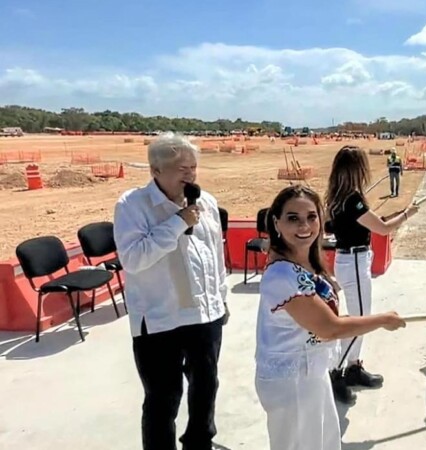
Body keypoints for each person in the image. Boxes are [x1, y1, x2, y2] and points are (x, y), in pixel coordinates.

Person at [254, 184, 406, 450]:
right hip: (291, 381)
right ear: (276, 222)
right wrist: (382, 320)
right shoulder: (282, 275)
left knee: (322, 442)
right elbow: (329, 328)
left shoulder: (304, 263)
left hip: (312, 370)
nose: (304, 226)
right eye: (293, 218)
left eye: (312, 217)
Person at [114, 132, 230, 450]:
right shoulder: (132, 205)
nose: (190, 175)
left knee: (206, 387)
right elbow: (134, 258)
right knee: (162, 399)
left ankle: (199, 443)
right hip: (158, 321)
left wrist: (221, 298)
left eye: (193, 167)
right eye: (181, 169)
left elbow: (214, 256)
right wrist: (178, 222)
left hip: (205, 316)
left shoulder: (206, 202)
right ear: (156, 171)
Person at [324, 145, 419, 404]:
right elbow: (383, 229)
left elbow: (359, 224)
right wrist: (407, 214)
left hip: (351, 260)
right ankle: (337, 373)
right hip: (354, 260)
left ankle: (353, 366)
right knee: (359, 321)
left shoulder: (337, 196)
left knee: (359, 318)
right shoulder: (352, 199)